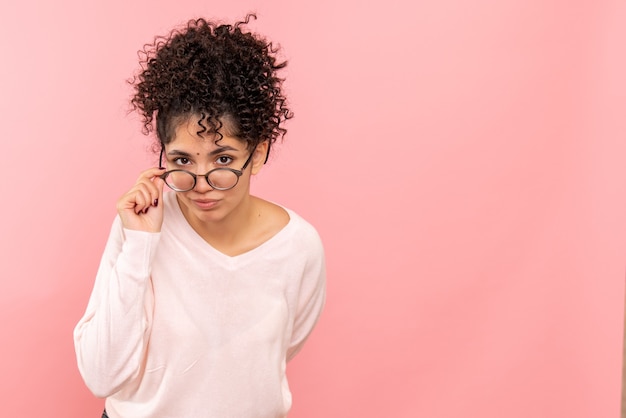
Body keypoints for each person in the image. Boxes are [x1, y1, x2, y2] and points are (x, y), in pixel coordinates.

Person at [73, 14, 326, 418]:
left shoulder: (299, 247)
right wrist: (140, 244)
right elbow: (102, 376)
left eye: (223, 158)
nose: (202, 182)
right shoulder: (141, 225)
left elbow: (280, 350)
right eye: (182, 161)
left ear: (257, 153)